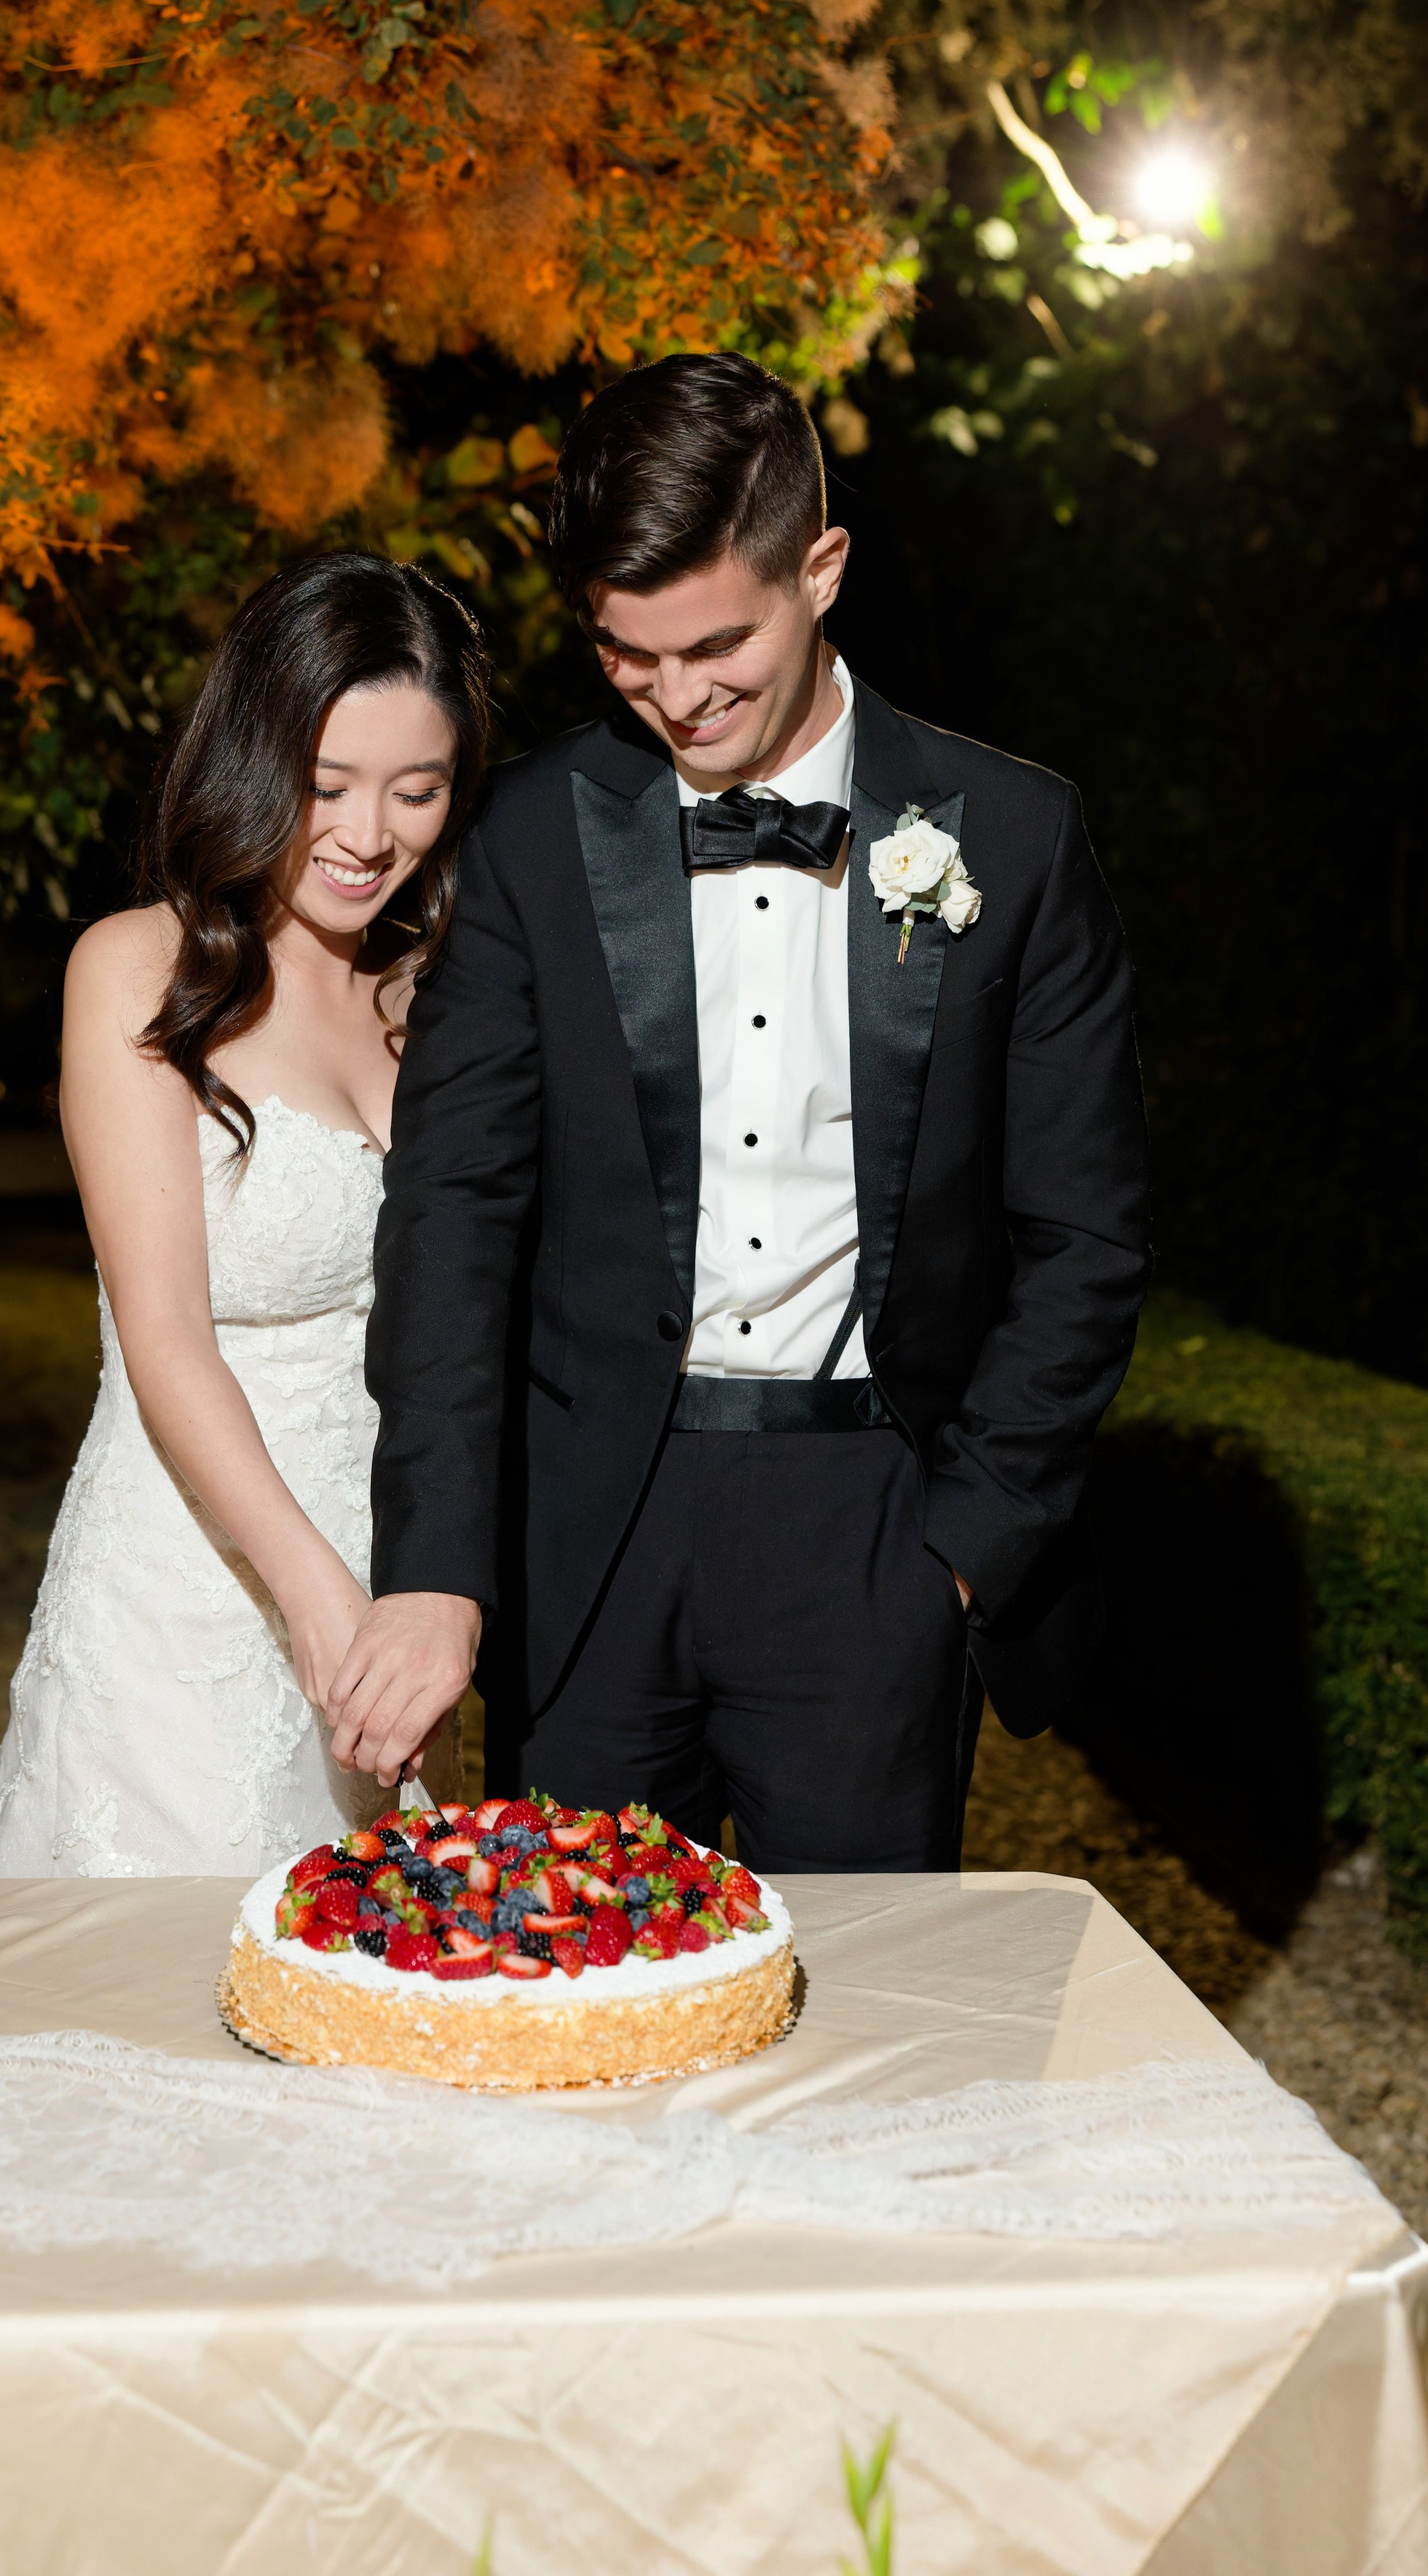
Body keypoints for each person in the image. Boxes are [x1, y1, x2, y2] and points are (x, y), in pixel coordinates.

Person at [332, 352, 1151, 1872]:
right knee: (565, 1976)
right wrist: (436, 1563)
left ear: (820, 568)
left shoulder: (1017, 837)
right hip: (588, 1528)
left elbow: (1084, 1234)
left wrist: (963, 1547)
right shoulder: (525, 836)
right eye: (625, 653)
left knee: (856, 1997)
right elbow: (451, 1214)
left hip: (873, 1526)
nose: (677, 696)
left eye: (717, 643)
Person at [0, 552, 491, 1880]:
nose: (369, 834)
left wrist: (424, 1597)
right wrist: (316, 1604)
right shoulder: (136, 968)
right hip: (188, 1590)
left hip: (394, 1585)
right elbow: (165, 1340)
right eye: (328, 783)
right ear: (256, 758)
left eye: (416, 790)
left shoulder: (440, 989)